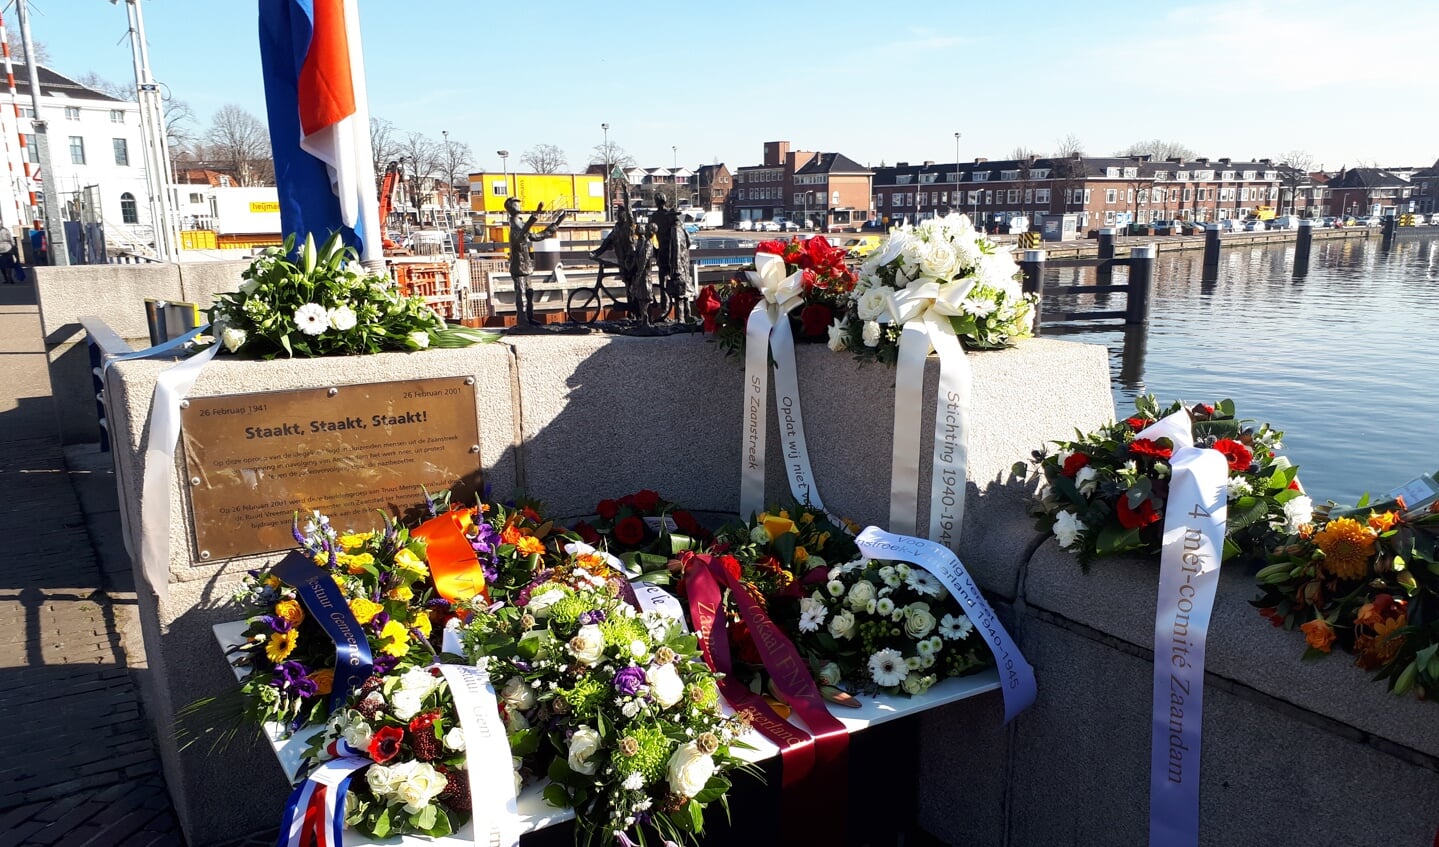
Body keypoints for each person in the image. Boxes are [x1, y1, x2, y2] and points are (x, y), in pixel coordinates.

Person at [506, 196, 566, 325]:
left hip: (526, 265)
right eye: (516, 204)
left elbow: (537, 236)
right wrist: (537, 213)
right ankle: (522, 321)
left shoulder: (520, 224)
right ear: (511, 207)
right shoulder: (514, 224)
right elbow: (523, 232)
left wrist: (557, 223)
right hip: (518, 266)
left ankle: (529, 318)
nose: (519, 205)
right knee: (520, 294)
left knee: (529, 293)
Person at [650, 194, 693, 322]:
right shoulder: (673, 221)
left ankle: (666, 311)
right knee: (681, 285)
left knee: (665, 284)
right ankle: (685, 314)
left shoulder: (655, 218)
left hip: (664, 253)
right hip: (673, 255)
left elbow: (651, 236)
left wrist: (655, 251)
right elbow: (688, 242)